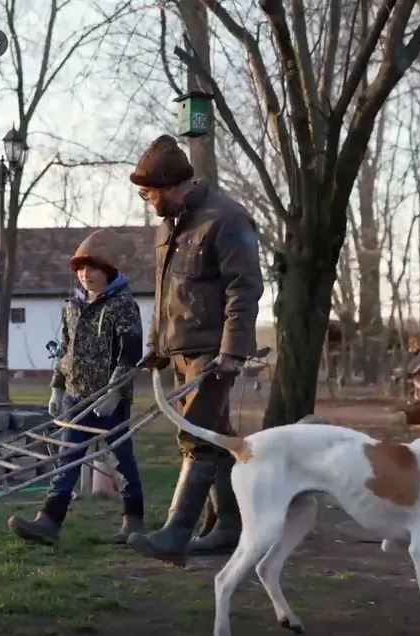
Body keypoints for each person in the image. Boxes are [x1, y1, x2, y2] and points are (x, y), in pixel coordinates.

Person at [125, 134, 265, 565]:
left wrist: (232, 350)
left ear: (169, 185)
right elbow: (165, 289)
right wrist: (155, 346)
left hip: (214, 353)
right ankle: (228, 527)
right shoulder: (170, 226)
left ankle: (175, 533)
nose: (148, 202)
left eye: (149, 193)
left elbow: (245, 288)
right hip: (182, 352)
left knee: (197, 435)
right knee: (219, 439)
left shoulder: (227, 218)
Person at [7, 229, 146, 546]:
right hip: (75, 398)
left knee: (121, 460)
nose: (86, 275)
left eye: (93, 268)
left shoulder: (122, 306)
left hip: (109, 400)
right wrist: (57, 386)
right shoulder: (73, 306)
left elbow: (130, 353)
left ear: (108, 270)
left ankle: (134, 522)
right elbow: (65, 350)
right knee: (67, 459)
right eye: (82, 270)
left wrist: (115, 391)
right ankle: (49, 521)